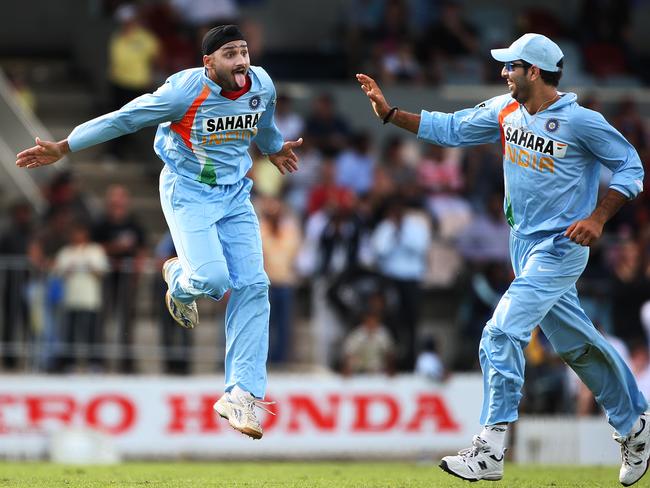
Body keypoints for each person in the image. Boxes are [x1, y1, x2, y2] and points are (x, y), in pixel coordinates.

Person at [357, 32, 648, 485]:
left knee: (500, 331)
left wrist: (599, 217)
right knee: (575, 345)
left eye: (511, 66)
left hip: (563, 245)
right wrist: (392, 114)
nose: (503, 72)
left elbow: (632, 167)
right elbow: (451, 128)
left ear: (534, 71)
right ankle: (634, 423)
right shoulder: (505, 109)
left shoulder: (582, 121)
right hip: (523, 246)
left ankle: (491, 447)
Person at [16, 24, 302, 441]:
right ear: (208, 63)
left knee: (255, 285)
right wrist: (66, 146)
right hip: (188, 192)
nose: (241, 61)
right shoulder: (183, 93)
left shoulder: (261, 83)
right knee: (213, 279)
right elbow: (126, 118)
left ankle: (241, 393)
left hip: (236, 196)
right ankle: (179, 281)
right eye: (230, 55)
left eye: (243, 52)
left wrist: (275, 148)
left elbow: (265, 122)